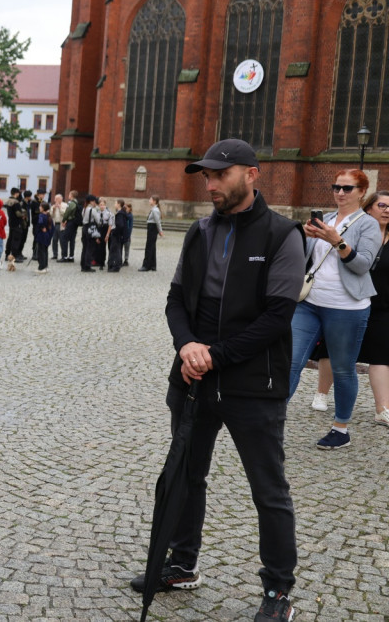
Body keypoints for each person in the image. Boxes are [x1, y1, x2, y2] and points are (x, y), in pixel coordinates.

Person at [130, 138, 304, 622]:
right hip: (191, 378)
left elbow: (277, 317)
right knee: (186, 476)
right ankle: (182, 565)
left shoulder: (282, 235)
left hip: (253, 385)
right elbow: (175, 298)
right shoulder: (200, 232)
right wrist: (186, 346)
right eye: (206, 176)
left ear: (251, 174)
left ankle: (278, 591)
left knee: (268, 490)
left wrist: (215, 356)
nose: (210, 184)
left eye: (219, 175)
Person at [288, 168, 380, 449]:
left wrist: (336, 241)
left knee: (342, 368)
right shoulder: (327, 219)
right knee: (290, 360)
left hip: (347, 307)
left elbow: (363, 264)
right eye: (336, 187)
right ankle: (270, 418)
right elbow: (307, 258)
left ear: (362, 192)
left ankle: (341, 429)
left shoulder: (368, 225)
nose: (340, 193)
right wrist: (305, 236)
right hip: (310, 302)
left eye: (347, 188)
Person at [357, 190, 389, 427]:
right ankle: (322, 394)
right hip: (354, 302)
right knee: (339, 355)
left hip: (384, 307)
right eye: (382, 205)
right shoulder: (357, 234)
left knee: (381, 356)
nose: (387, 210)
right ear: (369, 208)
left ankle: (382, 409)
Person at [139, 195, 164, 272]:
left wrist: (160, 231)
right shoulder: (154, 209)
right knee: (152, 247)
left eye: (150, 199)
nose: (149, 201)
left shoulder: (155, 210)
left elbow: (157, 222)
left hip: (152, 228)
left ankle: (146, 266)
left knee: (149, 247)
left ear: (154, 201)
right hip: (152, 228)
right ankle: (153, 265)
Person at [80, 194, 101, 272]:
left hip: (84, 228)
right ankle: (87, 265)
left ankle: (83, 265)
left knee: (84, 248)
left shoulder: (84, 208)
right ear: (92, 201)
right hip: (90, 228)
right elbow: (98, 220)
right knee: (90, 248)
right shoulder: (92, 209)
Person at [3, 188, 26, 262]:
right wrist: (24, 214)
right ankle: (14, 256)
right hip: (17, 223)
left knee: (10, 239)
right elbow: (18, 214)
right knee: (16, 240)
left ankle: (7, 255)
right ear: (16, 193)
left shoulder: (8, 201)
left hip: (11, 222)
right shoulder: (16, 202)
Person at [108, 199, 128, 272]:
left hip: (117, 235)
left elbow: (120, 225)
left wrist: (114, 231)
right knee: (117, 250)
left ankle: (116, 266)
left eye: (115, 203)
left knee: (116, 251)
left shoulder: (120, 214)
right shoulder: (121, 213)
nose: (114, 204)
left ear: (119, 204)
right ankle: (115, 265)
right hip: (119, 235)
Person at [60, 190, 80, 262]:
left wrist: (63, 220)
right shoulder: (76, 202)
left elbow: (67, 212)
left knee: (65, 239)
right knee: (72, 240)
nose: (68, 195)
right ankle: (71, 256)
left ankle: (64, 256)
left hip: (71, 222)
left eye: (69, 194)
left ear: (71, 195)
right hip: (75, 223)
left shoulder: (71, 203)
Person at [34, 200, 53, 274]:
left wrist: (42, 228)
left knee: (41, 252)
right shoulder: (49, 215)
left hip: (41, 236)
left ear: (43, 208)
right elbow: (52, 228)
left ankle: (41, 267)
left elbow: (40, 223)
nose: (39, 207)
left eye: (40, 206)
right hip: (46, 236)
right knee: (45, 251)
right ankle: (45, 266)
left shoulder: (41, 215)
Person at [97, 197, 112, 269]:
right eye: (100, 205)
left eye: (103, 205)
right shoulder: (97, 213)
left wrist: (107, 235)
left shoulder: (108, 213)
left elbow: (110, 225)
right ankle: (100, 262)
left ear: (105, 205)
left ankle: (105, 261)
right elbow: (96, 224)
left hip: (105, 229)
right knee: (100, 247)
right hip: (99, 229)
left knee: (105, 247)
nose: (102, 206)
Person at [50, 193, 65, 260]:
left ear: (61, 199)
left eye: (57, 199)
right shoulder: (53, 206)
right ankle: (55, 254)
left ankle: (63, 255)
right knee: (54, 240)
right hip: (54, 224)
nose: (55, 200)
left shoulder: (65, 205)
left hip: (61, 224)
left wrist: (59, 207)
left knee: (62, 240)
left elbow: (65, 214)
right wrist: (53, 209)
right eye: (55, 199)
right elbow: (51, 215)